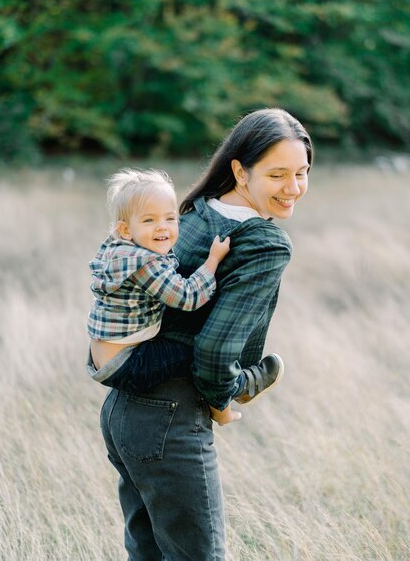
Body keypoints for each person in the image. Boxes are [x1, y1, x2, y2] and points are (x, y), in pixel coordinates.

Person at [99, 108, 313, 560]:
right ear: (239, 169)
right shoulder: (264, 242)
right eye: (277, 174)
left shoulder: (189, 212)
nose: (293, 187)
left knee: (149, 554)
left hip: (123, 412)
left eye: (302, 172)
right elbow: (213, 350)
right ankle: (247, 381)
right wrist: (224, 398)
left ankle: (247, 380)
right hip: (170, 418)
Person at [87, 167, 231, 398]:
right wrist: (212, 260)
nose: (162, 226)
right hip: (128, 364)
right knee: (204, 352)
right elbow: (187, 296)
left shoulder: (120, 249)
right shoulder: (144, 264)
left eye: (170, 218)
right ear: (125, 229)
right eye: (149, 220)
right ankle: (235, 389)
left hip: (108, 357)